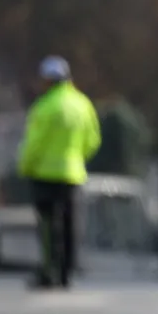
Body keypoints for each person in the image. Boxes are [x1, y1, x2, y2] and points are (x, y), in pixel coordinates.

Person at [18, 56, 100, 289]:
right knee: (69, 223)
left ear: (47, 81)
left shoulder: (45, 107)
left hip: (44, 174)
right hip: (72, 173)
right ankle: (67, 271)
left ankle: (48, 270)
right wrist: (77, 157)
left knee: (47, 225)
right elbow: (92, 139)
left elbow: (34, 143)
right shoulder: (83, 105)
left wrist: (26, 166)